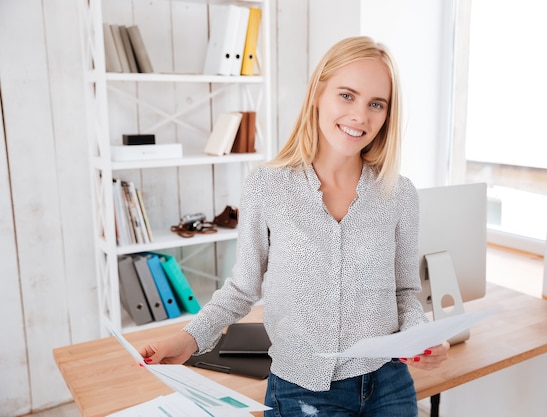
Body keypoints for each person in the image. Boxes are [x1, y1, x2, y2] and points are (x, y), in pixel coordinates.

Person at [140, 36, 450, 417]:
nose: (360, 116)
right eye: (347, 95)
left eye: (376, 104)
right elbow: (242, 288)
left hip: (389, 384)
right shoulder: (267, 186)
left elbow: (404, 293)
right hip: (304, 391)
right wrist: (189, 339)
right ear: (318, 93)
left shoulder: (399, 193)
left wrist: (422, 337)